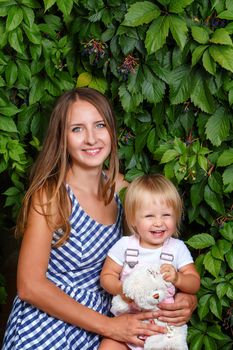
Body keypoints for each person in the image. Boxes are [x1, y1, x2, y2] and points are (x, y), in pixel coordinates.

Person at [2, 88, 197, 350]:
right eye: (77, 129)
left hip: (109, 322)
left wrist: (186, 298)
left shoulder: (123, 191)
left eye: (99, 125)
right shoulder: (51, 196)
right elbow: (29, 286)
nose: (91, 139)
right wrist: (110, 327)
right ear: (62, 138)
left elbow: (160, 250)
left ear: (111, 131)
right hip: (50, 322)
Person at [99, 174, 200, 350]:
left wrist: (178, 279)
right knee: (108, 346)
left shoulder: (177, 248)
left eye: (166, 215)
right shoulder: (124, 245)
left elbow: (194, 282)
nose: (159, 222)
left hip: (163, 330)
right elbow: (107, 276)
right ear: (133, 220)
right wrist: (123, 290)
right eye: (149, 216)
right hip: (126, 325)